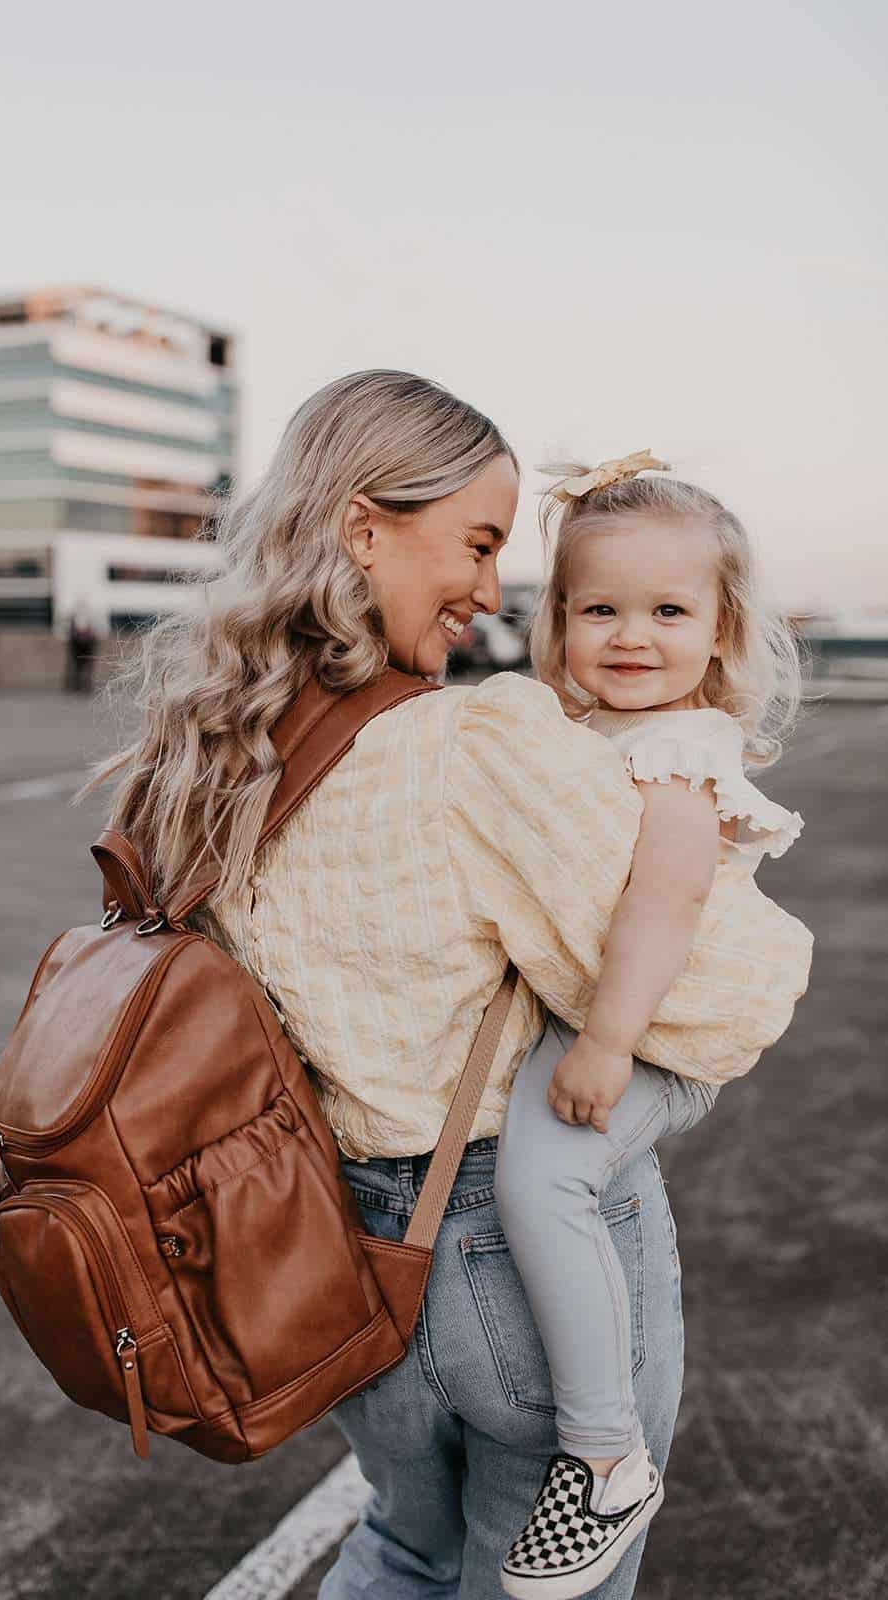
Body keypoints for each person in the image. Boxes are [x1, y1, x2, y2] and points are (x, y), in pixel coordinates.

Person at [93, 373, 812, 1599]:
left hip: (337, 1253)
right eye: (476, 544)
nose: (489, 590)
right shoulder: (475, 742)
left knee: (401, 1548)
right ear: (363, 529)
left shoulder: (204, 748)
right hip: (502, 1254)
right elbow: (721, 992)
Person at [494, 453, 812, 1599]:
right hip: (609, 1012)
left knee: (541, 1178)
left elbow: (661, 902)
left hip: (652, 1028)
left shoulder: (678, 750)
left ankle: (602, 1457)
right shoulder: (586, 732)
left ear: (718, 630)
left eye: (667, 611)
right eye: (600, 610)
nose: (631, 636)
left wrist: (604, 1043)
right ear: (559, 620)